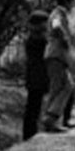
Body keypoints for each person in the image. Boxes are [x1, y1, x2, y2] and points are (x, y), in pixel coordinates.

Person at [41, 0, 75, 133]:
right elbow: (56, 26)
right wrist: (64, 39)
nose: (73, 4)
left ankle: (53, 119)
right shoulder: (58, 14)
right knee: (61, 87)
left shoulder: (60, 14)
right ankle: (50, 120)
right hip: (56, 55)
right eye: (72, 1)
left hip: (59, 56)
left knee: (66, 86)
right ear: (67, 1)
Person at [23, 11, 50, 141]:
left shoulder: (34, 39)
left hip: (36, 77)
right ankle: (29, 134)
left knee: (34, 108)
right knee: (33, 108)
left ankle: (31, 133)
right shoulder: (37, 40)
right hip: (37, 77)